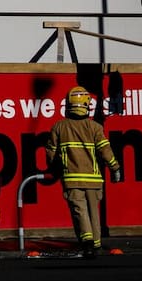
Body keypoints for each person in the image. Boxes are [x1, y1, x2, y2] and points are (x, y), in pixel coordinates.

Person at [44, 85, 122, 259]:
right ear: (87, 105)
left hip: (72, 179)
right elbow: (105, 150)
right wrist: (115, 168)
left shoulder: (59, 127)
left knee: (80, 211)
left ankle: (87, 244)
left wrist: (54, 168)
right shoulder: (95, 127)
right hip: (94, 180)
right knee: (94, 212)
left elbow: (50, 153)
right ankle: (96, 243)